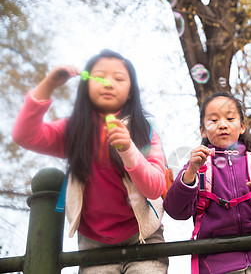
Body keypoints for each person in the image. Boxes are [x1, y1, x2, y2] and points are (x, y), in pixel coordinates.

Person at [12, 49, 168, 273]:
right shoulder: (74, 130)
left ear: (131, 92)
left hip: (143, 236)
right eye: (99, 76)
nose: (108, 83)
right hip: (94, 244)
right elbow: (24, 136)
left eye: (119, 78)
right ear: (86, 87)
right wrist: (48, 85)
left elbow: (155, 188)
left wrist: (128, 149)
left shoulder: (145, 131)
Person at [163, 92, 251, 274]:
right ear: (202, 130)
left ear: (242, 126)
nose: (222, 125)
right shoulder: (198, 167)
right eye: (213, 121)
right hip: (217, 265)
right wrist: (190, 172)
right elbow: (176, 211)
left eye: (230, 118)